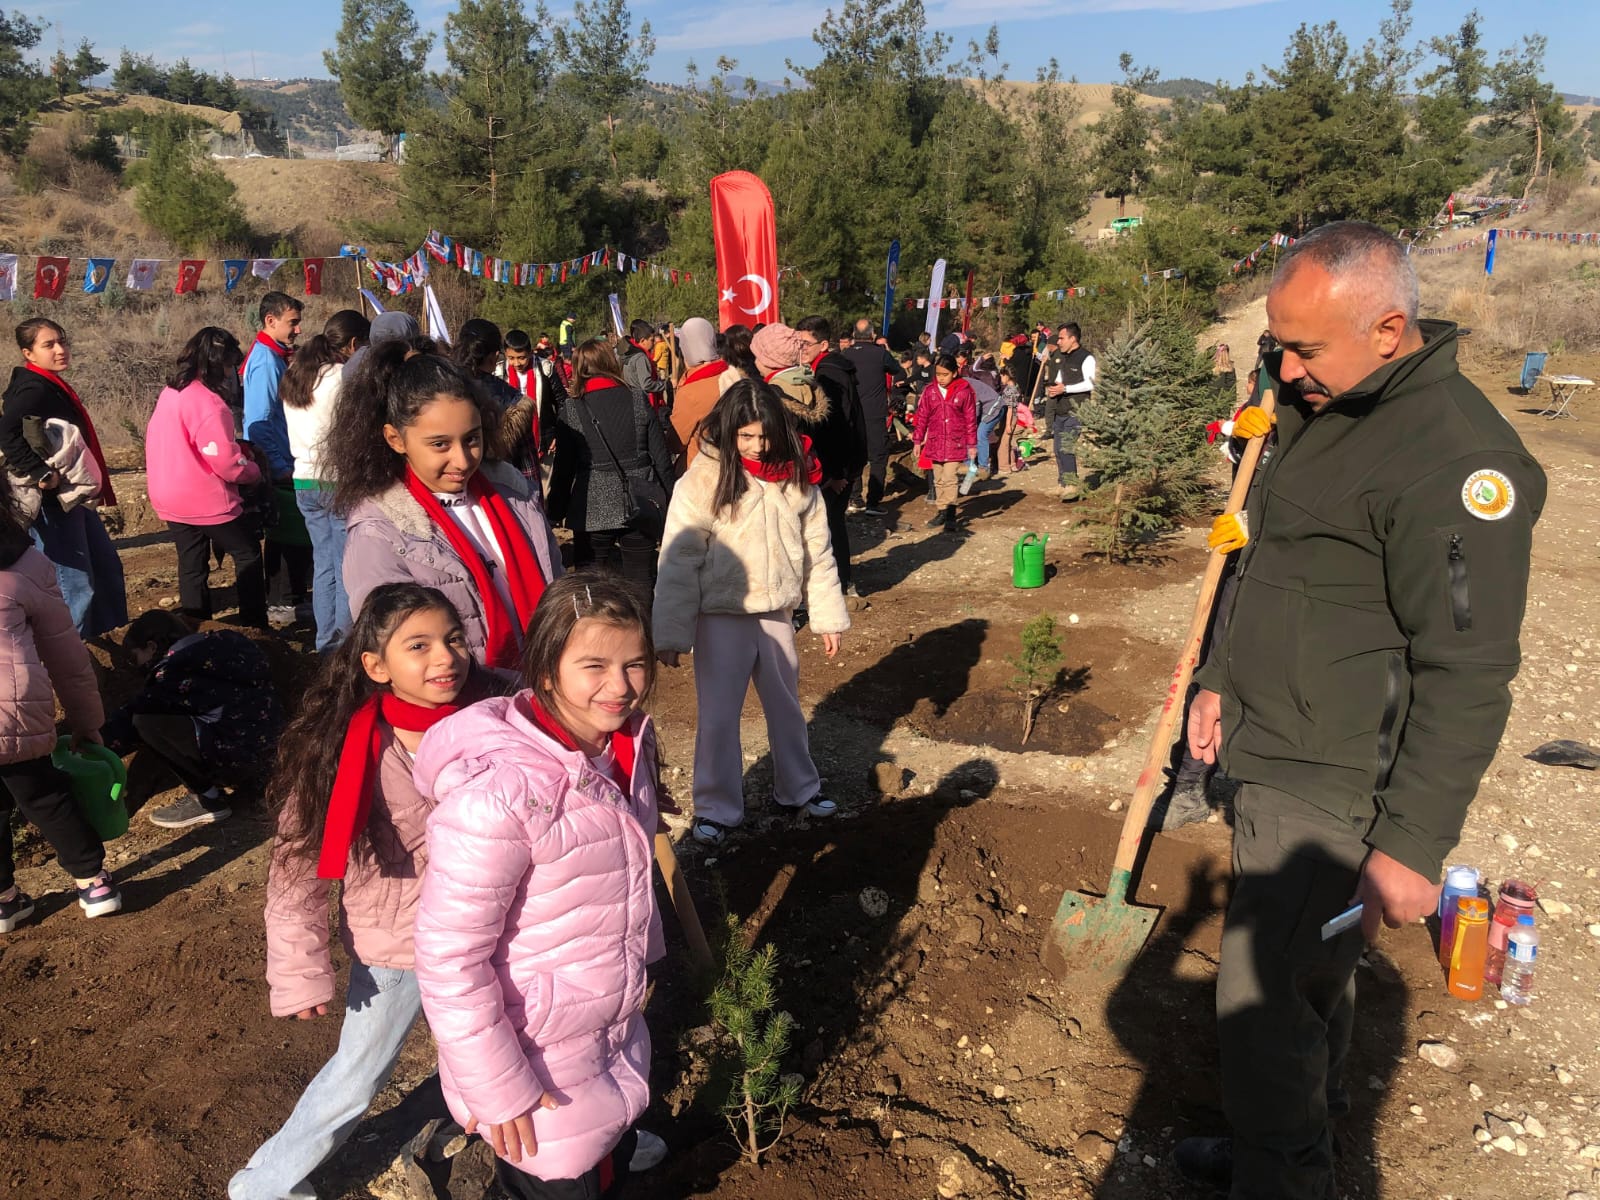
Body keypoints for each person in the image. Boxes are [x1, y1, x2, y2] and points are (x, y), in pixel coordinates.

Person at [1177, 221, 1546, 1199]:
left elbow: (1467, 671)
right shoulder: (1320, 401)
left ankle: (1281, 1172)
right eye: (1276, 343)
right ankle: (1293, 1136)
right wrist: (1219, 672)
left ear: (1388, 330)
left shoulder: (1456, 465)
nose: (1282, 367)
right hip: (1273, 737)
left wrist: (1413, 844)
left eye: (1302, 347)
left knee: (1262, 1008)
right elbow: (1270, 555)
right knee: (1311, 984)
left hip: (1335, 778)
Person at [229, 585, 493, 1200]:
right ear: (376, 666)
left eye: (453, 639)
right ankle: (264, 1185)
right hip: (397, 950)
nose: (446, 658)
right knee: (356, 1074)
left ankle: (591, 1141)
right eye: (419, 646)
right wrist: (298, 970)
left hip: (489, 931)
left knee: (525, 1041)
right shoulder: (341, 750)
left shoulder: (496, 718)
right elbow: (295, 867)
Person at [413, 572, 670, 1197]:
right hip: (536, 1063)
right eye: (594, 665)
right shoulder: (500, 796)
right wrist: (500, 1091)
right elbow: (450, 961)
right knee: (554, 1179)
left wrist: (645, 956)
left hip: (602, 1028)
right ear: (547, 670)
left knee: (599, 1153)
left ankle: (612, 1153)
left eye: (635, 664)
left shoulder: (617, 748)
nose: (620, 686)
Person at [653, 380, 849, 849]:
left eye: (764, 436)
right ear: (728, 430)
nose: (757, 446)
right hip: (722, 615)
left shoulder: (796, 475)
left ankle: (799, 789)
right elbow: (679, 556)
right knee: (719, 715)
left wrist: (826, 614)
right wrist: (671, 631)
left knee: (786, 707)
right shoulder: (703, 477)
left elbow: (817, 550)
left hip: (778, 612)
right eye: (745, 437)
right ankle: (716, 807)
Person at [332, 339, 562, 673]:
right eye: (440, 444)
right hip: (462, 714)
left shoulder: (514, 495)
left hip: (544, 689)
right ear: (395, 439)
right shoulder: (379, 533)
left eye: (472, 438)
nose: (462, 459)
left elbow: (556, 586)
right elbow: (401, 657)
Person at [0, 472, 119, 930]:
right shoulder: (26, 562)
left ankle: (5, 900)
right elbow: (66, 655)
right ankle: (93, 882)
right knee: (45, 795)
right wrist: (88, 720)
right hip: (16, 712)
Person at [0, 317, 126, 637]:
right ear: (28, 353)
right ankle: (74, 655)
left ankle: (114, 644)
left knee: (106, 567)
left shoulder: (48, 382)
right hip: (54, 501)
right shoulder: (32, 387)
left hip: (74, 496)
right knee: (75, 583)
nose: (60, 349)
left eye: (62, 341)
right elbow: (6, 432)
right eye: (49, 345)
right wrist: (40, 471)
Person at [101, 609, 283, 828]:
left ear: (151, 647)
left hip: (239, 759)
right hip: (277, 747)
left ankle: (207, 799)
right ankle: (257, 783)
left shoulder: (175, 673)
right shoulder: (230, 642)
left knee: (146, 721)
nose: (137, 666)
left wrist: (95, 744)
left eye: (135, 657)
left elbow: (131, 719)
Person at [145, 327, 267, 629]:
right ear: (216, 365)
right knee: (247, 553)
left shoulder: (172, 392)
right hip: (205, 501)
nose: (230, 374)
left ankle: (193, 627)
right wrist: (253, 473)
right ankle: (254, 626)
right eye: (228, 366)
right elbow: (226, 463)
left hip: (169, 495)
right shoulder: (211, 405)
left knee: (192, 564)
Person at [546, 340, 674, 594]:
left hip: (592, 504)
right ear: (611, 363)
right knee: (641, 581)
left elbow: (564, 469)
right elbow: (661, 459)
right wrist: (671, 501)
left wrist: (555, 509)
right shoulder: (638, 399)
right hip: (641, 499)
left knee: (592, 586)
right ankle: (643, 631)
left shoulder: (571, 410)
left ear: (580, 369)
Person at [282, 309, 369, 652]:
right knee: (346, 564)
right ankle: (343, 644)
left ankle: (325, 642)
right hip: (337, 481)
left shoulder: (298, 376)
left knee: (324, 565)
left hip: (304, 481)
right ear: (352, 344)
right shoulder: (342, 379)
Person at [243, 292, 312, 627]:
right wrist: (278, 466)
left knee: (292, 530)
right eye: (292, 322)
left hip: (285, 456)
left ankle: (294, 596)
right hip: (278, 461)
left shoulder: (277, 357)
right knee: (285, 532)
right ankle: (282, 602)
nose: (298, 330)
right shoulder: (266, 362)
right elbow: (259, 421)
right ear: (270, 321)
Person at [793, 317, 868, 597]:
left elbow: (837, 426)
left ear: (823, 344)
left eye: (806, 344)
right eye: (797, 343)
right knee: (831, 523)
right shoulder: (832, 368)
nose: (801, 348)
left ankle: (841, 583)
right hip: (844, 461)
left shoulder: (828, 374)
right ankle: (841, 580)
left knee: (829, 525)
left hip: (836, 466)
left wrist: (837, 473)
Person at [838, 325, 906, 515]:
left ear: (853, 336)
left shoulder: (845, 355)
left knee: (854, 457)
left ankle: (854, 498)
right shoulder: (880, 354)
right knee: (878, 457)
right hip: (875, 414)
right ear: (872, 335)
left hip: (851, 413)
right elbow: (897, 370)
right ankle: (873, 503)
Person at [913, 354, 977, 533]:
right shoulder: (930, 391)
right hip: (935, 442)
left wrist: (972, 445)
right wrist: (918, 440)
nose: (941, 378)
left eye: (945, 374)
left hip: (955, 442)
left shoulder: (964, 390)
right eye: (938, 374)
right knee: (939, 479)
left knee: (949, 478)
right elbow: (922, 416)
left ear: (955, 373)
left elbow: (970, 419)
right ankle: (941, 510)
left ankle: (950, 514)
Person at [1040, 322, 1095, 501]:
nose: (1059, 341)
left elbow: (1090, 383)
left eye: (1062, 338)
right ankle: (1062, 483)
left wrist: (1066, 389)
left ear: (1073, 339)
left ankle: (1072, 485)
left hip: (1076, 410)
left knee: (1067, 447)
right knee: (1057, 449)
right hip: (1060, 410)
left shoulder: (1086, 358)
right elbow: (1059, 379)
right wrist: (1054, 387)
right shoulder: (1063, 357)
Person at [666, 316, 725, 468]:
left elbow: (676, 442)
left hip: (700, 472)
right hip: (733, 465)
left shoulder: (691, 391)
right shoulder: (734, 377)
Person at [620, 319, 669, 409]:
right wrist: (664, 385)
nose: (654, 343)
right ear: (642, 341)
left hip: (635, 399)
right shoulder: (640, 357)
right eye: (651, 340)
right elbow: (646, 384)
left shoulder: (629, 354)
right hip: (644, 402)